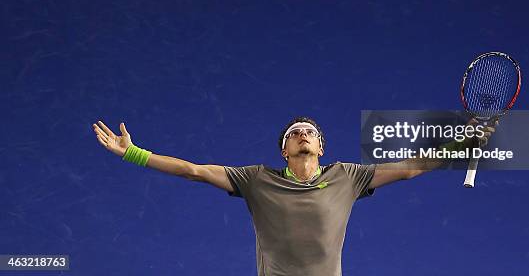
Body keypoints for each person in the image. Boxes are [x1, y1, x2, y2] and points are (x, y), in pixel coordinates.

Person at [93, 116, 494, 276]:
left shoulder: (347, 177)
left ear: (321, 146)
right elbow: (194, 170)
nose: (302, 135)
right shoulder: (254, 180)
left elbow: (410, 167)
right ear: (283, 151)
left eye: (309, 132)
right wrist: (133, 151)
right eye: (293, 134)